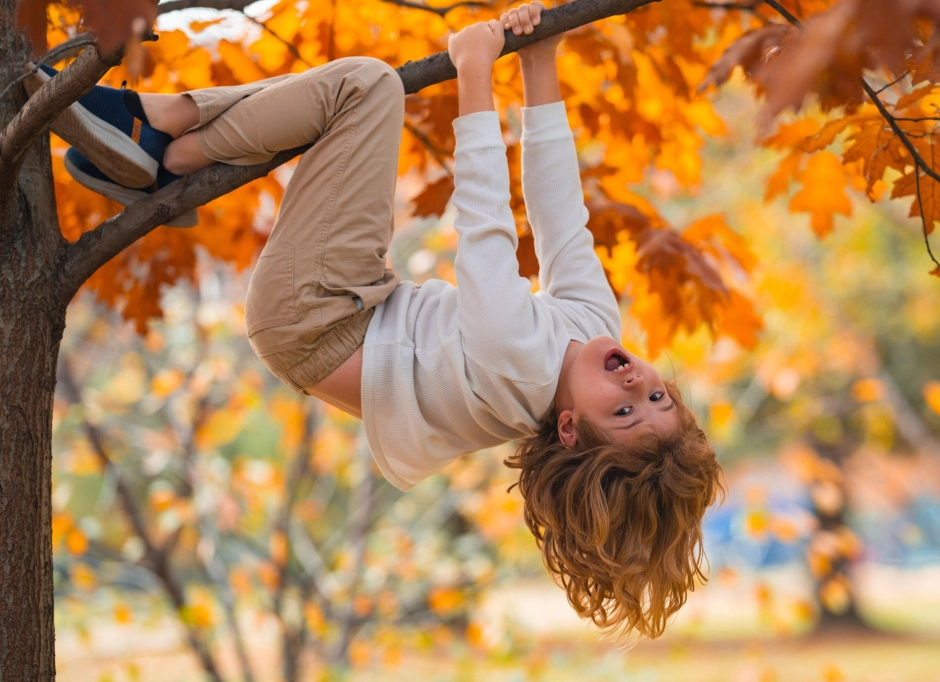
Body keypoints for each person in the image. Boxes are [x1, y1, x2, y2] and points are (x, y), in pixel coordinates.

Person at [42, 2, 722, 637]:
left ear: (571, 430)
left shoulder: (520, 363)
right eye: (658, 397)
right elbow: (559, 214)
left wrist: (476, 75)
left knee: (365, 89)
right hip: (356, 300)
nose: (637, 386)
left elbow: (485, 229)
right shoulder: (590, 330)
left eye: (626, 414)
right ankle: (157, 144)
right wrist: (541, 62)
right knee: (341, 99)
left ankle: (164, 144)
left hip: (312, 316)